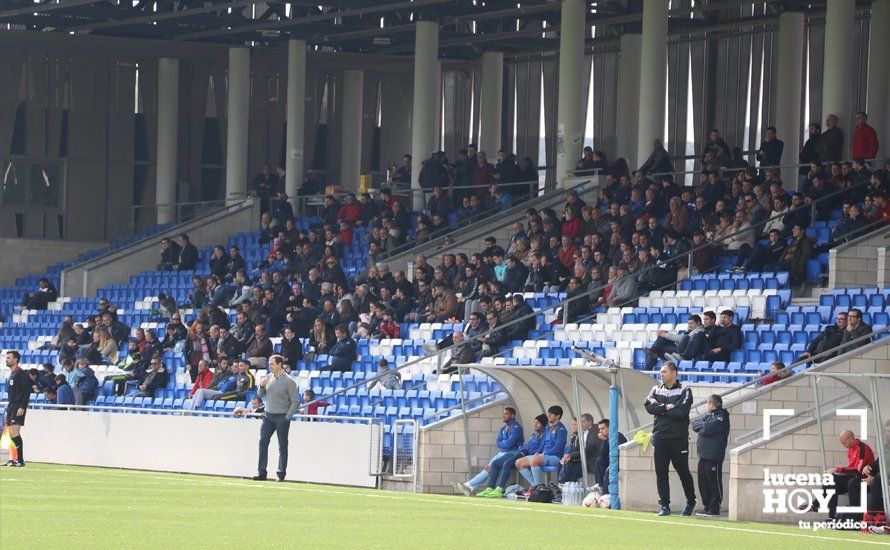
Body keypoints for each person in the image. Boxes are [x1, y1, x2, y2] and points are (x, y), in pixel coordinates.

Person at [644, 361, 697, 516]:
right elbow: (648, 406)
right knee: (661, 473)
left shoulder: (685, 390)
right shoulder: (655, 389)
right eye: (661, 371)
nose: (661, 374)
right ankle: (665, 506)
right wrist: (668, 407)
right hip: (659, 437)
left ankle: (691, 501)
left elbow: (680, 412)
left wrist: (660, 408)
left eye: (664, 371)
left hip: (678, 438)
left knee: (683, 472)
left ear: (674, 373)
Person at [454, 407, 523, 496]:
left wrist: (503, 443)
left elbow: (509, 444)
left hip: (511, 453)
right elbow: (498, 443)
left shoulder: (516, 427)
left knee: (490, 467)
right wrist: (504, 444)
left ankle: (468, 485)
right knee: (488, 468)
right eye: (503, 413)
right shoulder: (503, 428)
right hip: (501, 452)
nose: (504, 415)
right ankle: (470, 487)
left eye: (506, 414)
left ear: (513, 415)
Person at [253, 355, 300, 482]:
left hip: (281, 417)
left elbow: (295, 402)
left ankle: (281, 473)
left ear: (279, 364)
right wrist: (262, 386)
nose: (269, 366)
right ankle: (261, 472)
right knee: (263, 442)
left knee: (282, 446)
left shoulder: (289, 381)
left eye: (272, 364)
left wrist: (287, 417)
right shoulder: (269, 377)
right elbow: (260, 395)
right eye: (269, 364)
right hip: (268, 416)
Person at [811, 430, 876, 520]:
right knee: (831, 485)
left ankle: (815, 504)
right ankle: (831, 517)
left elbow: (857, 471)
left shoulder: (863, 448)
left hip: (862, 480)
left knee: (832, 478)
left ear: (851, 439)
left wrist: (838, 469)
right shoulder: (850, 450)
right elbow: (851, 469)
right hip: (851, 479)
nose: (843, 445)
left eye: (844, 443)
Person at [478, 414, 547, 498]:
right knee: (495, 463)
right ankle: (489, 488)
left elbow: (540, 449)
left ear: (543, 424)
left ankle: (499, 489)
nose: (535, 424)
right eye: (535, 422)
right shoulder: (534, 434)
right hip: (519, 451)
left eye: (538, 423)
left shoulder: (545, 434)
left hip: (526, 453)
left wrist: (528, 450)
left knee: (507, 463)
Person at [692, 394, 730, 517]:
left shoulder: (722, 416)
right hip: (703, 455)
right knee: (703, 482)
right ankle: (707, 506)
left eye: (708, 403)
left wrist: (702, 427)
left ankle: (714, 508)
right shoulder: (708, 415)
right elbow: (695, 425)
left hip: (714, 456)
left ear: (712, 404)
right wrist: (702, 427)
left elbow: (707, 429)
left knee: (714, 482)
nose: (707, 406)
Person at [514, 405, 567, 490]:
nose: (548, 416)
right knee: (518, 462)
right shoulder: (549, 429)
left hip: (555, 457)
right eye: (548, 414)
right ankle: (536, 486)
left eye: (551, 414)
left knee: (534, 460)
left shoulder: (561, 429)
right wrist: (537, 453)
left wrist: (543, 454)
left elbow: (558, 447)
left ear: (558, 416)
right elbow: (543, 444)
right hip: (544, 455)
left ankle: (538, 487)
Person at [4, 351, 30, 467]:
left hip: (18, 405)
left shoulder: (21, 373)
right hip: (11, 405)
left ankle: (20, 460)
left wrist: (22, 407)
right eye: (6, 357)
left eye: (9, 358)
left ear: (15, 359)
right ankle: (14, 459)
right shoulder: (13, 373)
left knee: (15, 432)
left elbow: (26, 391)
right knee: (10, 433)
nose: (6, 359)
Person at [558, 414, 600, 483]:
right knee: (563, 463)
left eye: (583, 422)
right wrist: (568, 455)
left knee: (570, 466)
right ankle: (564, 485)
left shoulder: (595, 431)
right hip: (584, 459)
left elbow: (589, 449)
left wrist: (571, 456)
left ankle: (564, 484)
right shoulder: (583, 432)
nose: (581, 424)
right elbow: (576, 447)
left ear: (589, 422)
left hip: (591, 462)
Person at [594, 418, 627, 489]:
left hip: (619, 462)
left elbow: (619, 453)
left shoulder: (618, 436)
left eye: (603, 428)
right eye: (599, 429)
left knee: (610, 470)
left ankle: (606, 490)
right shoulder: (606, 438)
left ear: (610, 428)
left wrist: (606, 440)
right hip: (610, 460)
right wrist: (604, 441)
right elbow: (602, 455)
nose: (600, 431)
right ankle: (599, 485)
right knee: (599, 460)